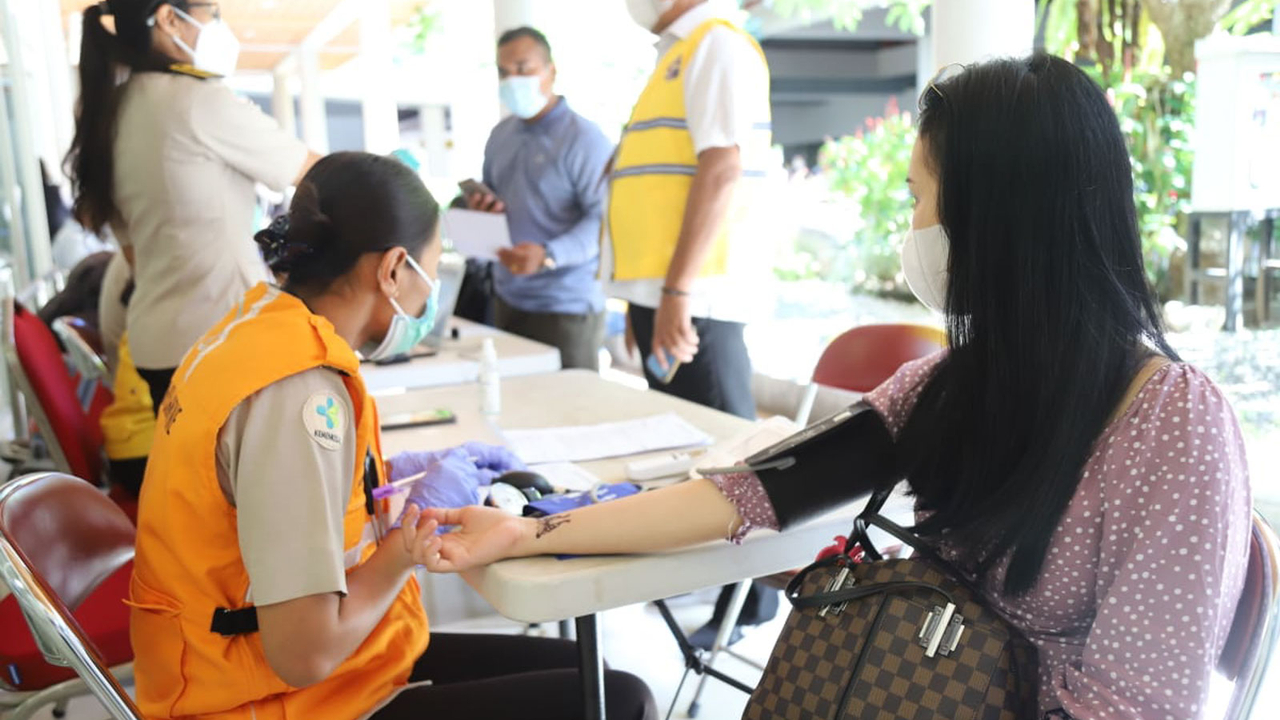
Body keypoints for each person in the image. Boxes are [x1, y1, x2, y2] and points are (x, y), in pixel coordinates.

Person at [412, 55, 1252, 720]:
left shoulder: (1172, 425)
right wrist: (528, 532)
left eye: (919, 200)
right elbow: (748, 495)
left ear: (999, 219)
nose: (911, 230)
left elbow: (1137, 706)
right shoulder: (949, 386)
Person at [128, 152, 657, 720]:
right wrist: (401, 551)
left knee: (594, 679)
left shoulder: (254, 330)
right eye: (428, 275)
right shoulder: (298, 392)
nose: (428, 302)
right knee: (618, 703)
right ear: (393, 269)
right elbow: (304, 653)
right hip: (270, 700)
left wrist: (377, 478)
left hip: (278, 669)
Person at [610, 0, 779, 647]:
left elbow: (722, 166)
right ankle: (714, 580)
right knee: (687, 447)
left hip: (698, 294)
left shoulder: (717, 44)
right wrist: (642, 298)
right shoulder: (677, 52)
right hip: (669, 292)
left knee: (728, 456)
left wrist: (676, 291)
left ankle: (753, 604)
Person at [65, 0, 320, 414]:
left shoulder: (109, 115)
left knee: (191, 476)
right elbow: (314, 171)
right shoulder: (197, 100)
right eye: (211, 13)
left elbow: (134, 256)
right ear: (169, 19)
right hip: (221, 341)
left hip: (158, 348)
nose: (219, 25)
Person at [464, 27, 613, 370]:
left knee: (570, 413)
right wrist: (483, 211)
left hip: (566, 306)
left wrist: (549, 255)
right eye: (504, 72)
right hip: (508, 299)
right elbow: (495, 205)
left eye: (523, 68)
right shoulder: (500, 136)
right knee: (514, 408)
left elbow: (604, 221)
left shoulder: (585, 140)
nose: (512, 79)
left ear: (551, 71)